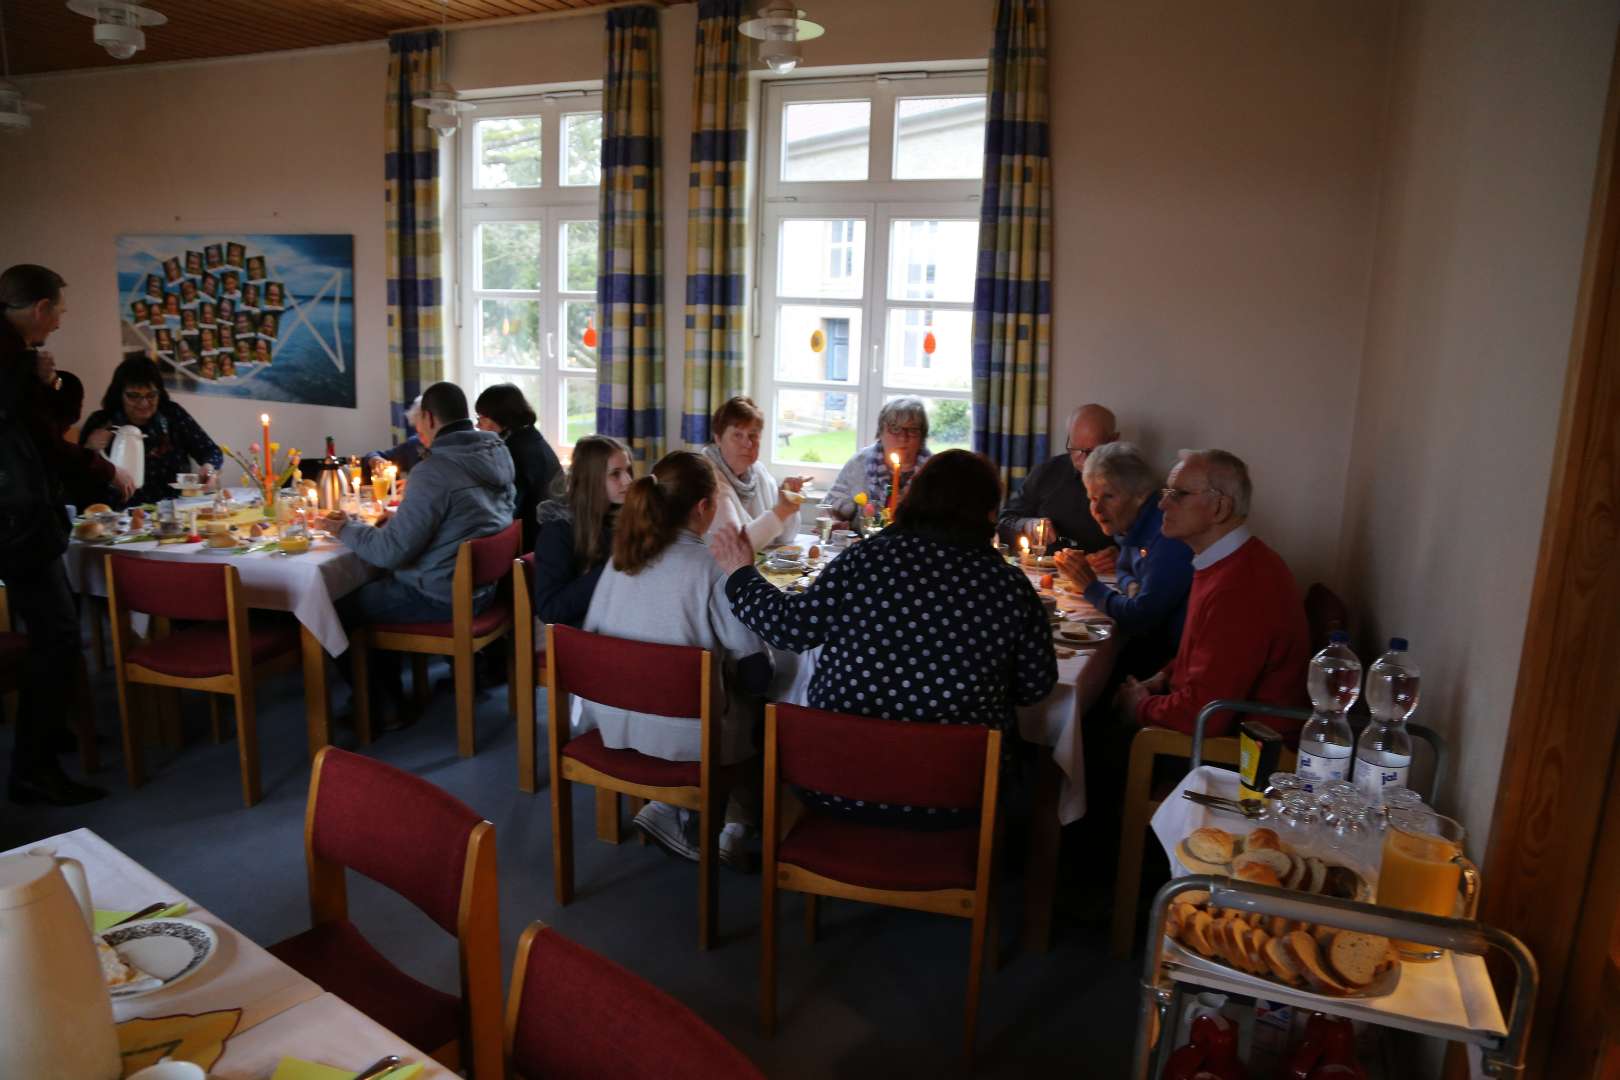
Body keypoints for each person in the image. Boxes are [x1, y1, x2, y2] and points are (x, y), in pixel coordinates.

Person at [711, 449, 1058, 826]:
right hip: (956, 797)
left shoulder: (865, 561)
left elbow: (789, 628)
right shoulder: (1008, 587)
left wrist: (741, 574)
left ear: (914, 497)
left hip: (838, 783)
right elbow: (1034, 687)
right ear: (989, 513)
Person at [581, 449, 775, 865]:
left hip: (612, 722)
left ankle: (679, 809)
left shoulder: (620, 562)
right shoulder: (712, 569)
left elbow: (593, 636)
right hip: (682, 738)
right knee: (762, 702)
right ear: (704, 507)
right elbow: (757, 673)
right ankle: (729, 821)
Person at [0, 263, 113, 804]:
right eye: (59, 311)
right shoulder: (10, 364)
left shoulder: (22, 362)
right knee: (58, 635)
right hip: (18, 522)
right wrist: (105, 470)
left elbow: (54, 418)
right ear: (40, 308)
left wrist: (52, 383)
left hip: (19, 519)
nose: (61, 322)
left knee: (55, 629)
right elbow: (48, 443)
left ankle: (54, 735)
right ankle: (33, 769)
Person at [1115, 449, 1311, 739]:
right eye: (1166, 492)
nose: (1162, 504)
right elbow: (1205, 656)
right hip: (1216, 725)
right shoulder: (1228, 561)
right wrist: (1163, 677)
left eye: (1178, 494)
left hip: (1241, 751)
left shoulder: (1243, 586)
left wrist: (1141, 707)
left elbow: (1207, 716)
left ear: (1220, 507)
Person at [329, 381, 515, 627]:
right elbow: (461, 517)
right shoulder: (498, 453)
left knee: (332, 607)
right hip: (484, 589)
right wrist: (401, 519)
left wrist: (343, 528)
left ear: (428, 417)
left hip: (439, 595)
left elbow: (389, 552)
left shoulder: (433, 470)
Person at [1054, 441, 1194, 676]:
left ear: (1141, 494)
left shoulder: (1166, 532)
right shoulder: (1133, 524)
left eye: (1108, 496)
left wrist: (1090, 586)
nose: (1097, 509)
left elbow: (1140, 618)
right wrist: (1131, 586)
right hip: (1151, 646)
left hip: (1171, 662)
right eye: (1092, 498)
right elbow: (1123, 566)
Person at [80, 356, 224, 507]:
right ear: (119, 394)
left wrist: (209, 468)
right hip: (116, 512)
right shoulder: (101, 421)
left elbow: (211, 450)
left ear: (159, 393)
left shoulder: (173, 414)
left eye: (151, 395)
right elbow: (77, 479)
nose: (143, 403)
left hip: (173, 509)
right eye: (133, 396)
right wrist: (89, 450)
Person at [532, 434, 632, 627]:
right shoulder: (558, 531)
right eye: (615, 474)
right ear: (591, 479)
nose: (628, 480)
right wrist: (613, 568)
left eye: (627, 470)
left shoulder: (616, 516)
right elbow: (550, 609)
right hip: (583, 633)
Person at [997, 403, 1119, 559]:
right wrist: (1028, 525)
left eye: (1092, 451)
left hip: (1100, 572)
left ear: (1113, 441)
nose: (1083, 460)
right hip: (1046, 569)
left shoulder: (1131, 480)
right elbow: (1004, 521)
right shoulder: (1047, 472)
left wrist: (1122, 556)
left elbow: (1143, 542)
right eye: (1075, 449)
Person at [699, 396, 805, 552]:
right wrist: (781, 510)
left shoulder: (758, 472)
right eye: (738, 435)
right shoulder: (706, 479)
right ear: (718, 438)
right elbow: (735, 548)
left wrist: (788, 502)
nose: (748, 444)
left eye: (753, 435)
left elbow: (787, 537)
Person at [474, 382, 561, 553]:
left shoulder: (513, 452)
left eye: (481, 418)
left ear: (500, 418)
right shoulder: (531, 438)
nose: (477, 425)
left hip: (532, 543)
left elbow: (508, 509)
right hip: (549, 534)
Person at [820, 396, 933, 521]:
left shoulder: (935, 470)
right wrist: (835, 522)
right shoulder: (860, 462)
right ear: (880, 432)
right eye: (895, 428)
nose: (903, 437)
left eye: (912, 430)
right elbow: (830, 509)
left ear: (922, 435)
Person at [363, 394, 427, 476]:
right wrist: (376, 460)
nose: (420, 436)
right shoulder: (414, 443)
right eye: (418, 430)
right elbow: (373, 455)